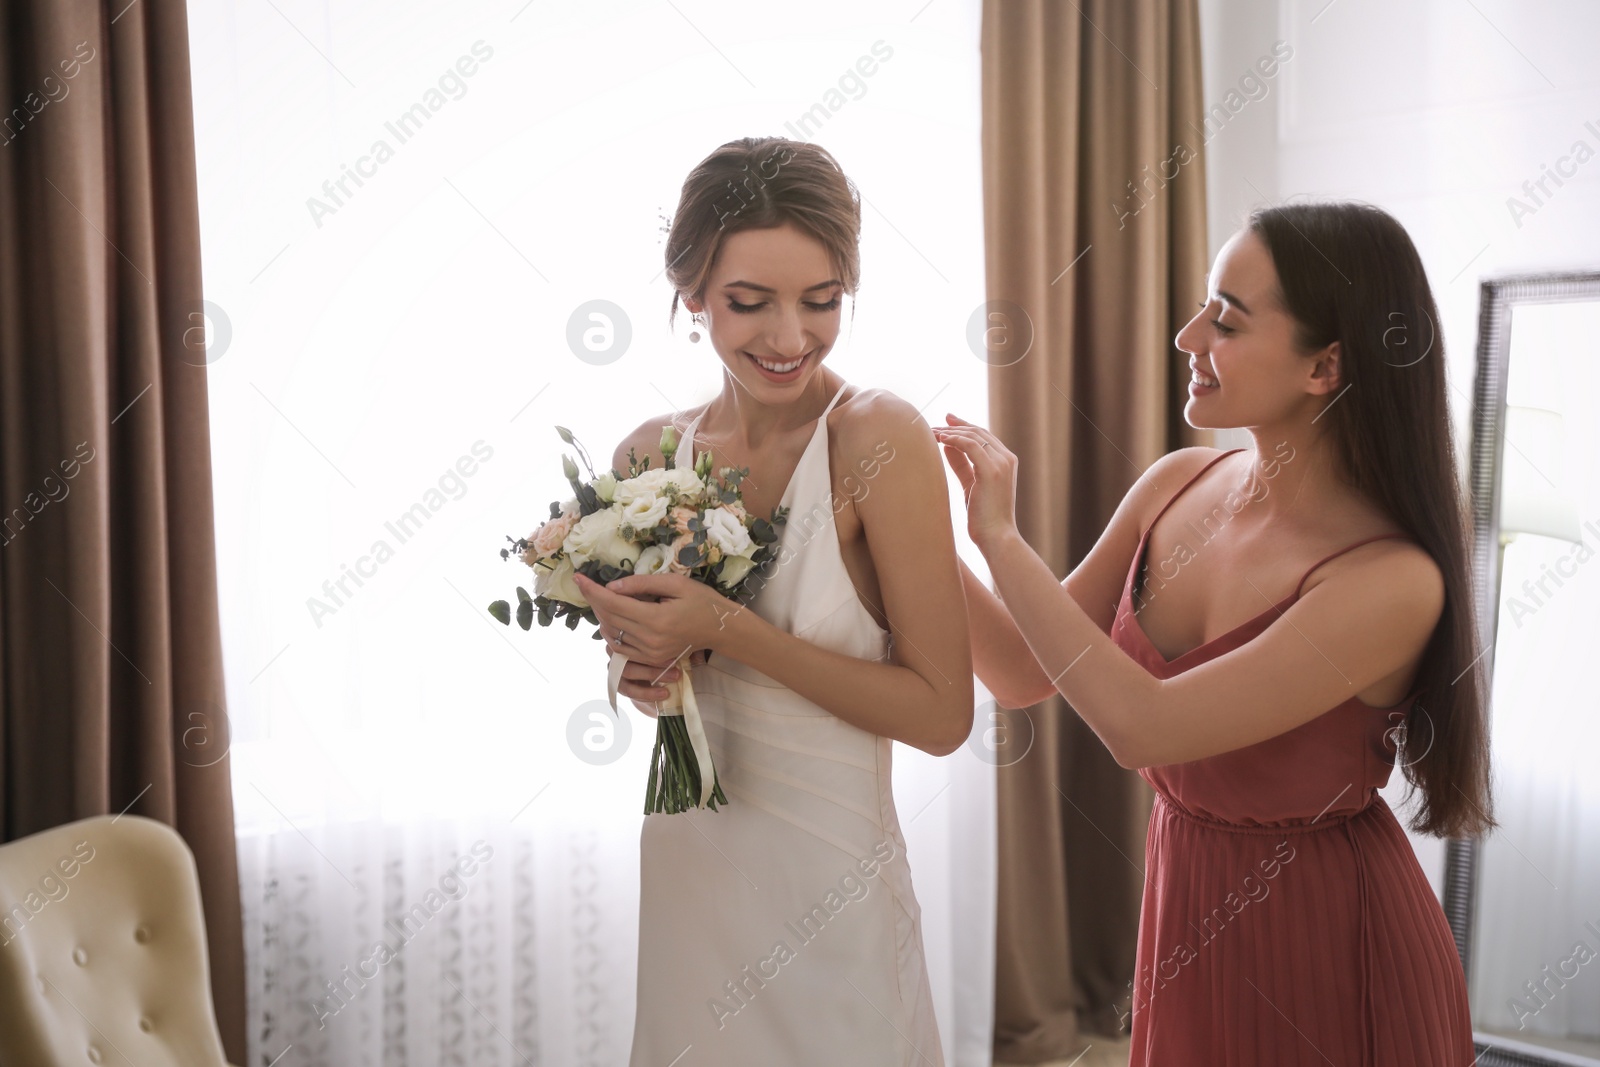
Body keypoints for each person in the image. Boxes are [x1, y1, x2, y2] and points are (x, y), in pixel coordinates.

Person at [933, 201, 1491, 1065]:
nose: (1188, 335)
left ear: (1325, 365)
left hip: (1331, 943)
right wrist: (912, 527)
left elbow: (1141, 725)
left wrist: (1001, 538)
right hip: (1187, 915)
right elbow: (1017, 668)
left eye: (1225, 319)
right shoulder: (1176, 483)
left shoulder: (1391, 580)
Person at [574, 136, 972, 1066]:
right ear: (691, 295)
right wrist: (646, 667)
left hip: (831, 886)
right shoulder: (647, 458)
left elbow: (945, 713)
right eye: (749, 303)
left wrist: (730, 631)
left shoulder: (878, 437)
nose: (790, 338)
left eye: (822, 301)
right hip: (693, 874)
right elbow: (657, 676)